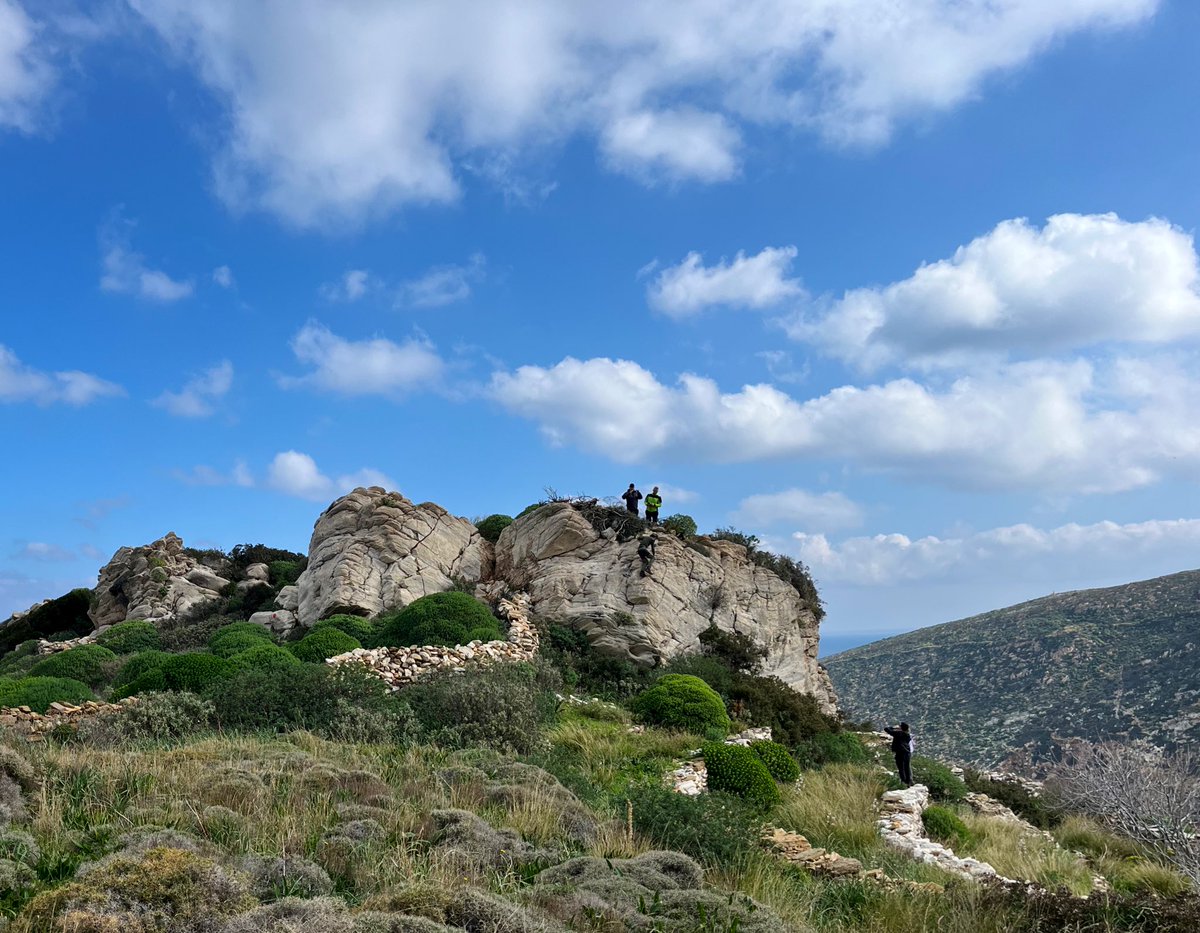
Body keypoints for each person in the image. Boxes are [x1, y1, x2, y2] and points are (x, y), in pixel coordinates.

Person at [883, 722, 914, 787]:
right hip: (907, 752)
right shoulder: (907, 734)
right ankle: (909, 781)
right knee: (907, 767)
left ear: (901, 728)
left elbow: (886, 729)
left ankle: (904, 781)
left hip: (900, 752)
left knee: (901, 767)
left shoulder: (899, 733)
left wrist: (894, 727)